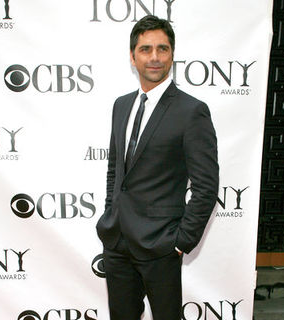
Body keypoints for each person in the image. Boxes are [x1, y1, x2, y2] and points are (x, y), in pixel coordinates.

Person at [96, 15, 219, 320]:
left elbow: (206, 186)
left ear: (172, 55)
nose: (154, 57)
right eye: (146, 49)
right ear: (132, 56)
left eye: (162, 49)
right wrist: (111, 211)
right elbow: (116, 169)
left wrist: (180, 242)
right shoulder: (121, 105)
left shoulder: (192, 112)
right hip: (117, 241)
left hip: (161, 246)